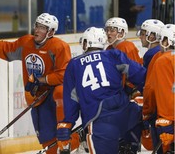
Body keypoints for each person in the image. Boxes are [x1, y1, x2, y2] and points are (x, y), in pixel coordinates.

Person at [0, 13, 80, 154]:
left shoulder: (59, 47)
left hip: (53, 95)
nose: (37, 30)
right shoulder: (26, 43)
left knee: (60, 97)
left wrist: (41, 80)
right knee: (47, 139)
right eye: (37, 26)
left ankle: (72, 139)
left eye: (42, 28)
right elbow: (6, 48)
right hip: (36, 96)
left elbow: (64, 74)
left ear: (51, 32)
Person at [56, 27, 146, 154]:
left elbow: (72, 99)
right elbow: (141, 75)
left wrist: (66, 125)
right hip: (125, 115)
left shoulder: (74, 64)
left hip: (99, 123)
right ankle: (129, 145)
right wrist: (143, 96)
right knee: (140, 109)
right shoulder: (114, 54)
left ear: (85, 43)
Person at [104, 17, 143, 153]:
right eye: (107, 29)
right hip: (116, 96)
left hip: (128, 95)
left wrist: (132, 90)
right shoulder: (108, 49)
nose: (108, 33)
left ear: (121, 32)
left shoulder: (127, 46)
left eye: (112, 30)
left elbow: (135, 73)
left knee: (128, 133)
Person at [145, 24, 175, 153]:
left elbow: (151, 89)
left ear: (166, 41)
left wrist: (147, 111)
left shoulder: (162, 60)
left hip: (167, 121)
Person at [137, 19, 165, 152]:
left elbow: (148, 83)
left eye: (143, 33)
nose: (140, 36)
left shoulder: (152, 54)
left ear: (152, 36)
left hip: (158, 107)